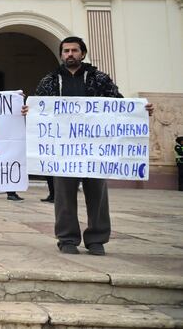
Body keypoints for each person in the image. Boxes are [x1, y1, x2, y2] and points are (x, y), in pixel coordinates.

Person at [32, 36, 154, 255]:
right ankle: (67, 238)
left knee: (97, 194)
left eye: (74, 50)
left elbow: (119, 105)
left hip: (95, 149)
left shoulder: (99, 79)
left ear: (83, 53)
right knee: (64, 196)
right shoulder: (49, 81)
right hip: (63, 150)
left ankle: (96, 239)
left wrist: (140, 112)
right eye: (66, 51)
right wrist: (28, 111)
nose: (70, 54)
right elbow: (38, 109)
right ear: (61, 55)